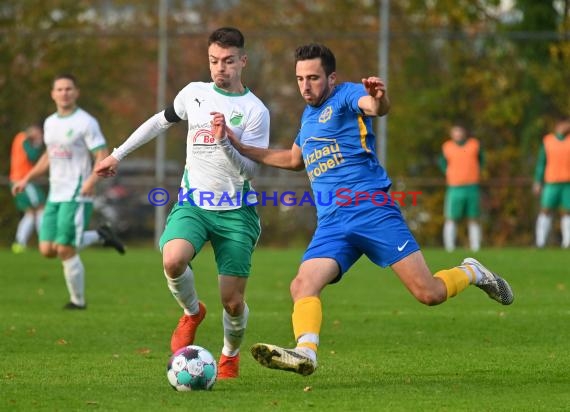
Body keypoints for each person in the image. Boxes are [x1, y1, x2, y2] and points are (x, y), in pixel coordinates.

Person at [222, 43, 514, 376]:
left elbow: (375, 107)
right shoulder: (308, 116)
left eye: (314, 78)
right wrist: (241, 146)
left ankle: (473, 272)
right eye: (300, 78)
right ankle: (306, 352)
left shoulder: (347, 96)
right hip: (332, 224)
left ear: (331, 78)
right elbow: (292, 159)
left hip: (372, 211)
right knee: (302, 285)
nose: (306, 86)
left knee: (429, 294)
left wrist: (378, 97)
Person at [94, 27, 270, 379]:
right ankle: (192, 312)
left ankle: (229, 355)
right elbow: (160, 121)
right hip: (194, 204)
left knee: (233, 302)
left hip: (236, 211)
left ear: (243, 61)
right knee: (173, 260)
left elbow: (251, 171)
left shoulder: (255, 111)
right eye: (214, 60)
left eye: (229, 61)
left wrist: (225, 142)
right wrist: (117, 154)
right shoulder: (194, 93)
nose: (220, 68)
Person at [11, 74, 125, 310]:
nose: (64, 93)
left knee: (64, 248)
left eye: (68, 89)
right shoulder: (50, 122)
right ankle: (101, 236)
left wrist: (92, 181)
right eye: (60, 89)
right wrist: (27, 178)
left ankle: (78, 302)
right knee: (47, 250)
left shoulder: (86, 122)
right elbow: (48, 156)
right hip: (56, 193)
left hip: (77, 193)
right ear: (53, 94)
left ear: (76, 92)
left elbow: (101, 155)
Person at [438, 124, 484, 252]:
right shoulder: (447, 147)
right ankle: (449, 247)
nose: (458, 134)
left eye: (460, 131)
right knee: (451, 217)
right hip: (455, 187)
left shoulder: (474, 144)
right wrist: (447, 172)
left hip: (472, 186)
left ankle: (476, 246)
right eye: (455, 132)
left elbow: (481, 160)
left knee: (473, 217)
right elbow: (442, 162)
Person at [9, 123, 46, 253]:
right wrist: (37, 143)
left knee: (30, 212)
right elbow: (32, 156)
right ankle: (44, 241)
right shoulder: (24, 139)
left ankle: (20, 243)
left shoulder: (18, 138)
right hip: (23, 180)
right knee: (40, 207)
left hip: (17, 179)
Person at [533, 118, 570, 248]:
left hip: (567, 183)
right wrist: (538, 181)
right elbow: (541, 163)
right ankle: (540, 242)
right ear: (559, 124)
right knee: (545, 210)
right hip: (552, 182)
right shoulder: (548, 141)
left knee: (567, 211)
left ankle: (567, 242)